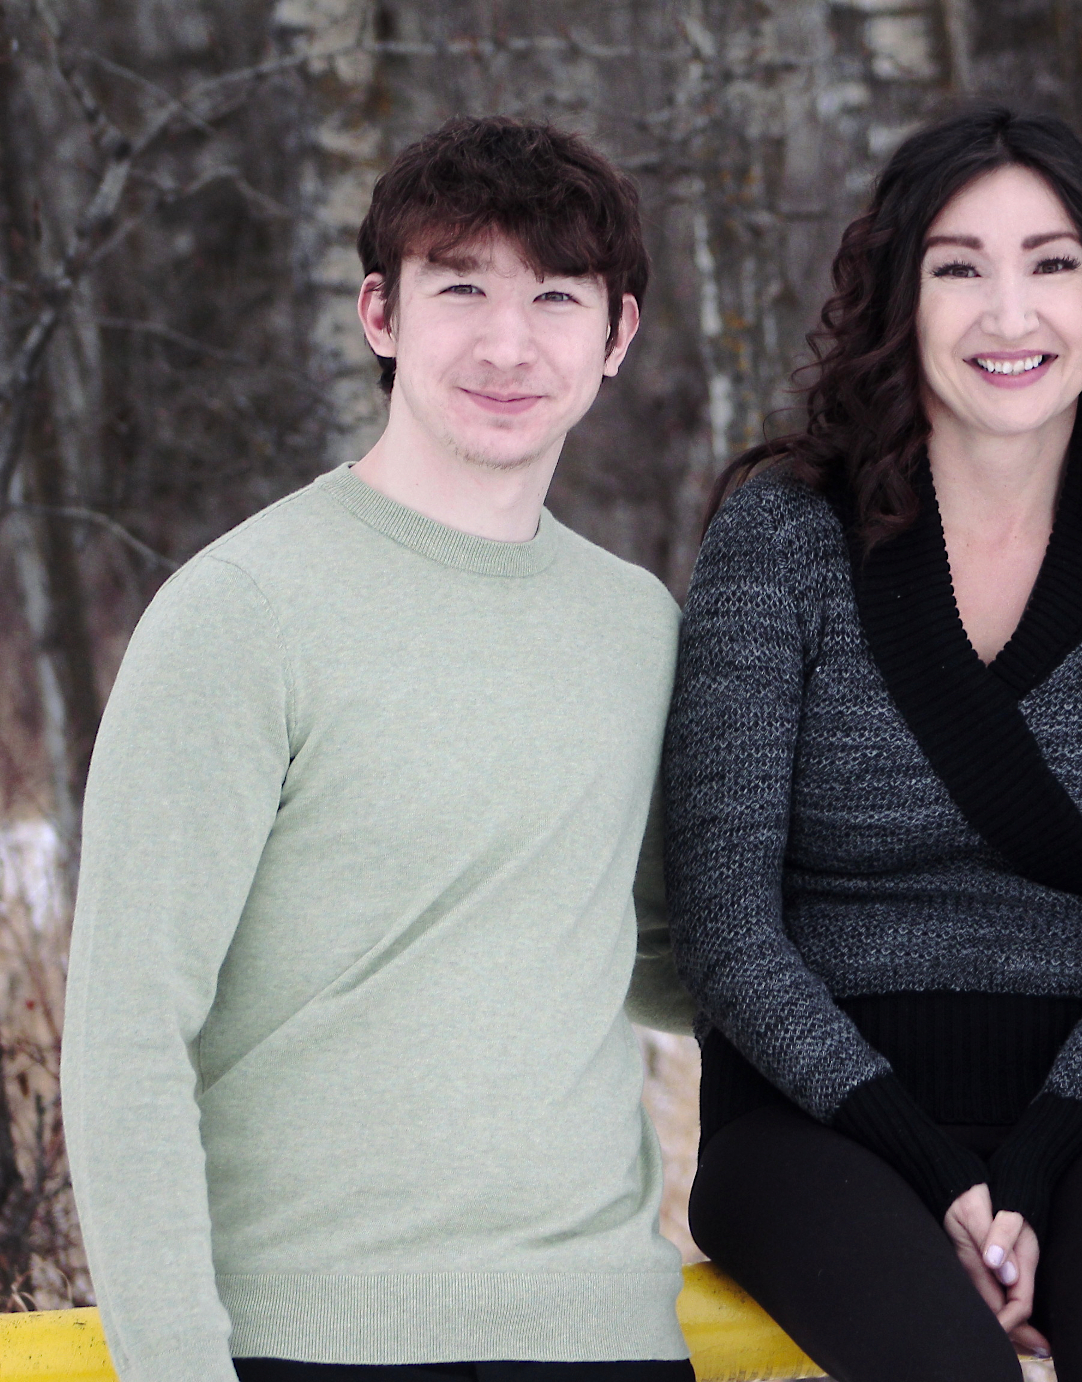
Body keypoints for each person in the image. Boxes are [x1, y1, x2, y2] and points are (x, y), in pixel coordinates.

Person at [62, 116, 699, 1382]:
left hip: (604, 1334)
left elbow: (671, 958)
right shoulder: (241, 612)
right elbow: (125, 1037)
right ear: (380, 313)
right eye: (459, 287)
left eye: (555, 297)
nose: (507, 343)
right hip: (312, 1341)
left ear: (617, 334)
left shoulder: (639, 626)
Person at [664, 106, 1082, 1382]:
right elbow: (725, 925)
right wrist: (932, 1168)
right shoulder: (782, 540)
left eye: (1050, 263)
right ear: (900, 297)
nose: (1009, 312)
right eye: (958, 267)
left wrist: (1033, 1163)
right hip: (812, 1116)